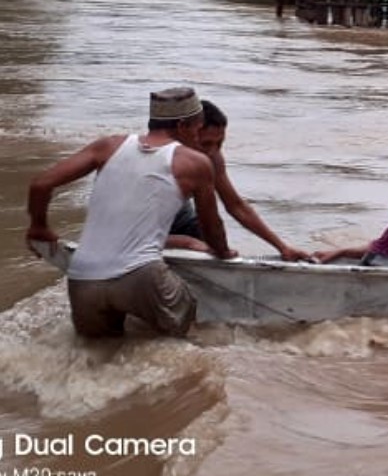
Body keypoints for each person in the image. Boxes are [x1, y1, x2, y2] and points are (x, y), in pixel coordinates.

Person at [25, 87, 235, 338]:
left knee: (97, 358)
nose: (197, 136)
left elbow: (40, 184)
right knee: (186, 330)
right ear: (182, 126)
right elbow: (212, 228)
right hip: (141, 276)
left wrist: (38, 226)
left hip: (82, 277)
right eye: (196, 128)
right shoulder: (194, 162)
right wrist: (221, 251)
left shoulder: (108, 145)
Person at [167, 100, 311, 262]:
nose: (213, 151)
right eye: (206, 144)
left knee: (211, 244)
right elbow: (133, 232)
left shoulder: (213, 158)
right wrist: (186, 243)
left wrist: (282, 247)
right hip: (142, 225)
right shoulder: (159, 160)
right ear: (185, 135)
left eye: (219, 144)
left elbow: (236, 206)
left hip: (181, 217)